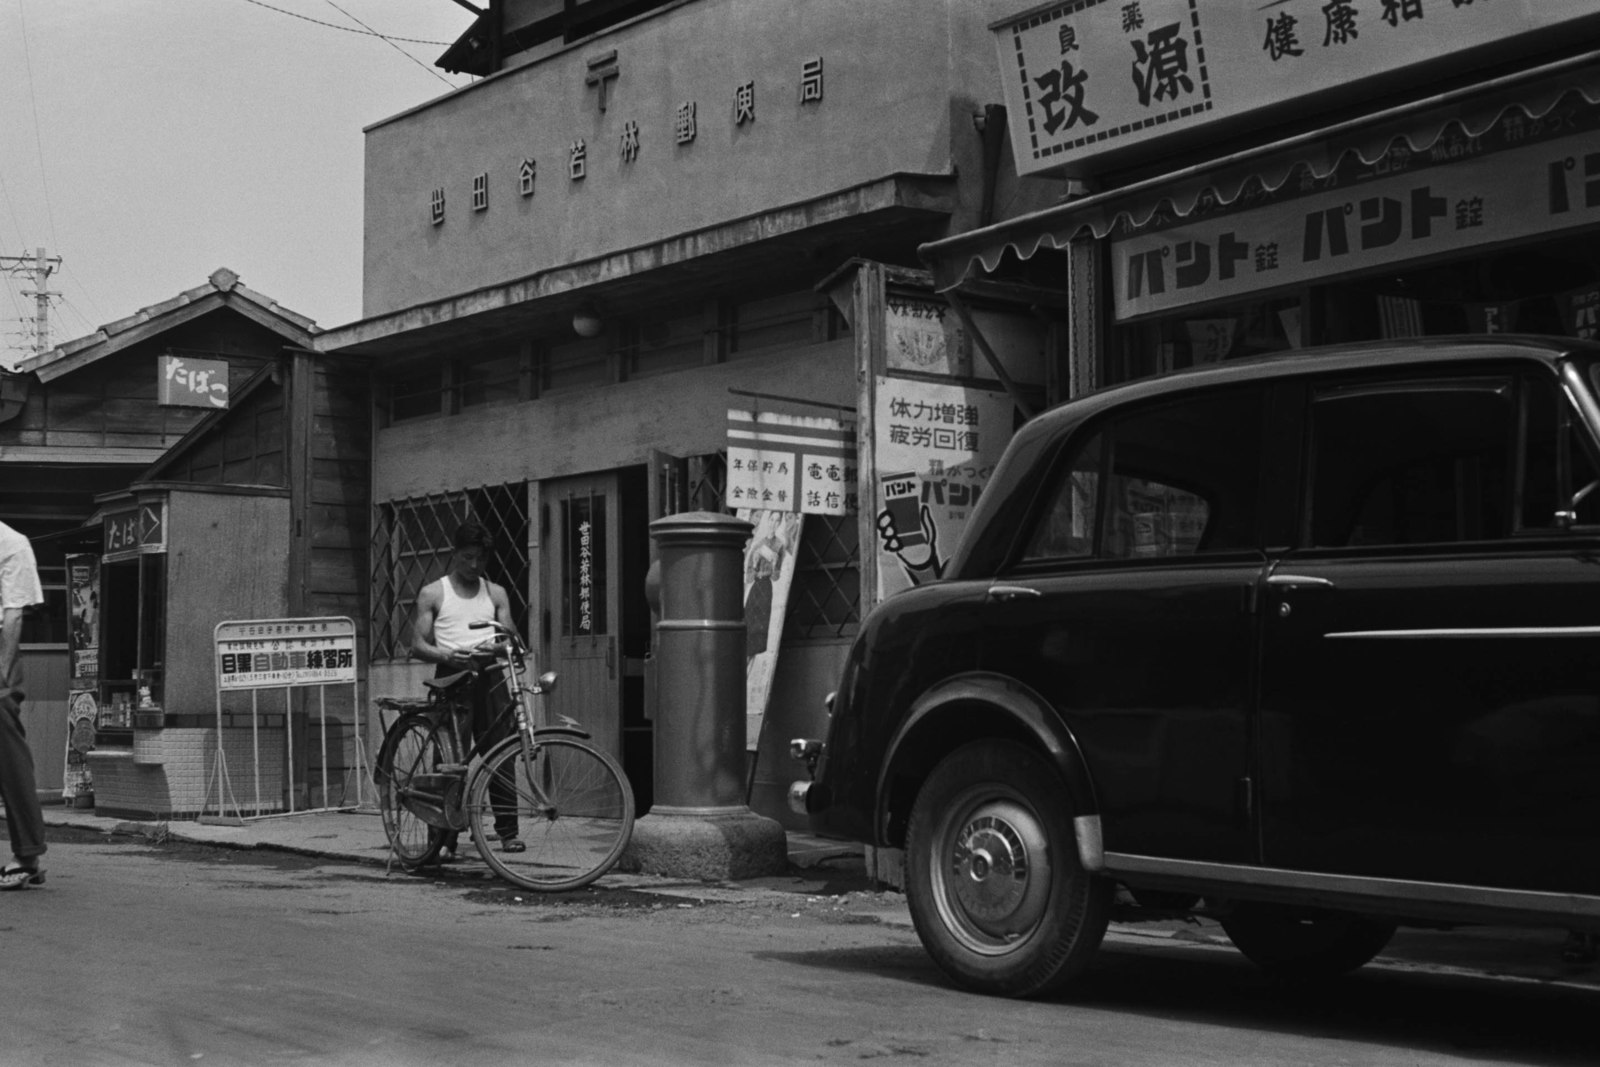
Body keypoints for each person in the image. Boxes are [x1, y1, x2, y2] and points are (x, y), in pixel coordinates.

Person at [410, 522, 523, 859]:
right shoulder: (434, 592)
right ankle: (443, 838)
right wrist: (446, 655)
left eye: (481, 559)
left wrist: (505, 647)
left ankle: (507, 832)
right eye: (468, 557)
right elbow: (417, 644)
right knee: (450, 759)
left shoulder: (496, 593)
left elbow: (511, 636)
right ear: (455, 554)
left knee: (501, 752)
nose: (474, 566)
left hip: (490, 674)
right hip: (452, 675)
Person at [0, 521, 47, 890]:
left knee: (8, 757)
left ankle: (27, 854)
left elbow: (14, 614)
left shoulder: (13, 543)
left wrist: (2, 671)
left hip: (0, 655)